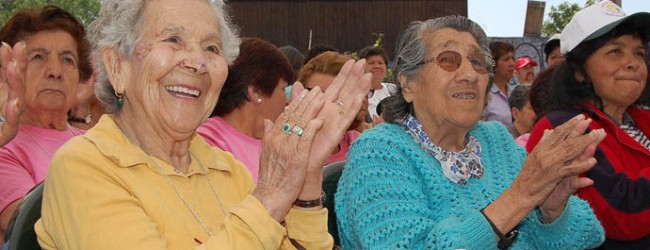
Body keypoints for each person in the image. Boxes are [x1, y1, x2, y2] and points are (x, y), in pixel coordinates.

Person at [35, 0, 371, 249]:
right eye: (172, 40)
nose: (197, 63)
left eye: (211, 48)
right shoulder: (84, 166)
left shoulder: (227, 170)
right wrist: (270, 196)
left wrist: (307, 175)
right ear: (118, 65)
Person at [336, 15, 606, 249]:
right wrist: (520, 197)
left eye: (478, 62)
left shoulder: (496, 139)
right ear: (408, 84)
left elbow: (589, 235)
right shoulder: (378, 151)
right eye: (448, 60)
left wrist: (552, 210)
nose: (470, 74)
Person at [526, 1, 650, 248]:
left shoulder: (641, 121)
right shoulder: (565, 128)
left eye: (639, 53)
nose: (632, 62)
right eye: (615, 51)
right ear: (579, 71)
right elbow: (622, 214)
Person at [0, 6, 91, 241]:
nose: (55, 71)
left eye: (67, 60)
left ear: (80, 79)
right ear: (9, 72)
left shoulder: (97, 140)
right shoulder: (5, 146)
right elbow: (26, 230)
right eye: (38, 57)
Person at [197, 38, 292, 183]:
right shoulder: (208, 140)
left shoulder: (276, 142)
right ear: (256, 92)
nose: (287, 100)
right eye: (283, 89)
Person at [298, 51, 365, 162]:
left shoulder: (360, 146)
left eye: (334, 96)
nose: (323, 102)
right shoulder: (286, 145)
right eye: (314, 92)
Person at [357, 46, 397, 120]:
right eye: (371, 63)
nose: (377, 66)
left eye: (380, 63)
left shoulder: (394, 90)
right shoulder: (356, 94)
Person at [484, 41, 516, 128]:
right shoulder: (485, 94)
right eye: (506, 59)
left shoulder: (515, 92)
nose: (512, 64)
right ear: (493, 64)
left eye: (513, 58)